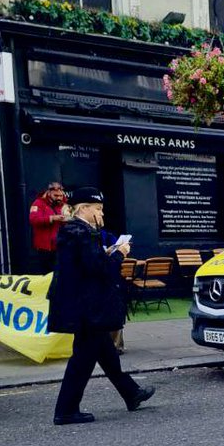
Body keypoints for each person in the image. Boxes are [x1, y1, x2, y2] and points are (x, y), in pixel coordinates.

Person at [48, 186, 154, 426]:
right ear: (83, 208)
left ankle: (131, 393)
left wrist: (106, 252)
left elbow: (86, 265)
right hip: (88, 308)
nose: (101, 214)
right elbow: (99, 269)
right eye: (97, 209)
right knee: (82, 360)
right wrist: (120, 254)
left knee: (106, 353)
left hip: (84, 305)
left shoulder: (73, 231)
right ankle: (66, 410)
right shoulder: (82, 232)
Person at [29, 182, 70, 271]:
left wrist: (67, 220)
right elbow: (33, 219)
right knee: (46, 273)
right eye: (56, 196)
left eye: (60, 195)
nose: (59, 198)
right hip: (45, 247)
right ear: (49, 193)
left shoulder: (65, 205)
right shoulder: (38, 203)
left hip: (60, 246)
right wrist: (52, 218)